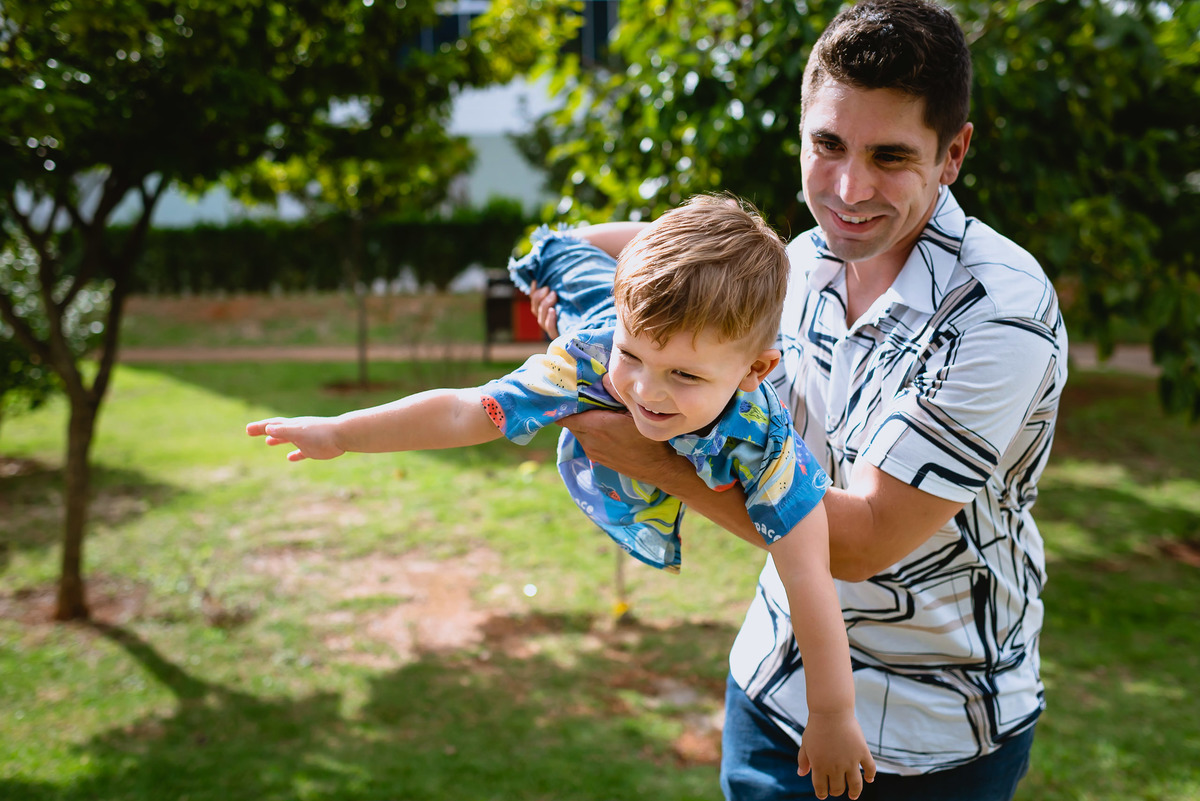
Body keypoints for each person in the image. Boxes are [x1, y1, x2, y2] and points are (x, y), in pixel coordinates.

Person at [529, 1, 1068, 799]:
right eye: (828, 144)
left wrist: (646, 456)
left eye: (890, 156)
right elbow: (656, 270)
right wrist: (591, 303)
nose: (849, 188)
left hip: (939, 737)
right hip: (774, 688)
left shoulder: (999, 312)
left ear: (952, 153)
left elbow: (861, 540)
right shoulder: (792, 267)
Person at [247, 195, 878, 799]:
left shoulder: (764, 442)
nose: (644, 391)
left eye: (683, 375)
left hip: (612, 311)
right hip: (589, 302)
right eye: (636, 357)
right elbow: (467, 412)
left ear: (753, 373)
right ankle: (569, 249)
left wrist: (831, 712)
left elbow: (808, 574)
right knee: (563, 257)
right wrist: (341, 433)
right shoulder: (593, 359)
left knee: (584, 281)